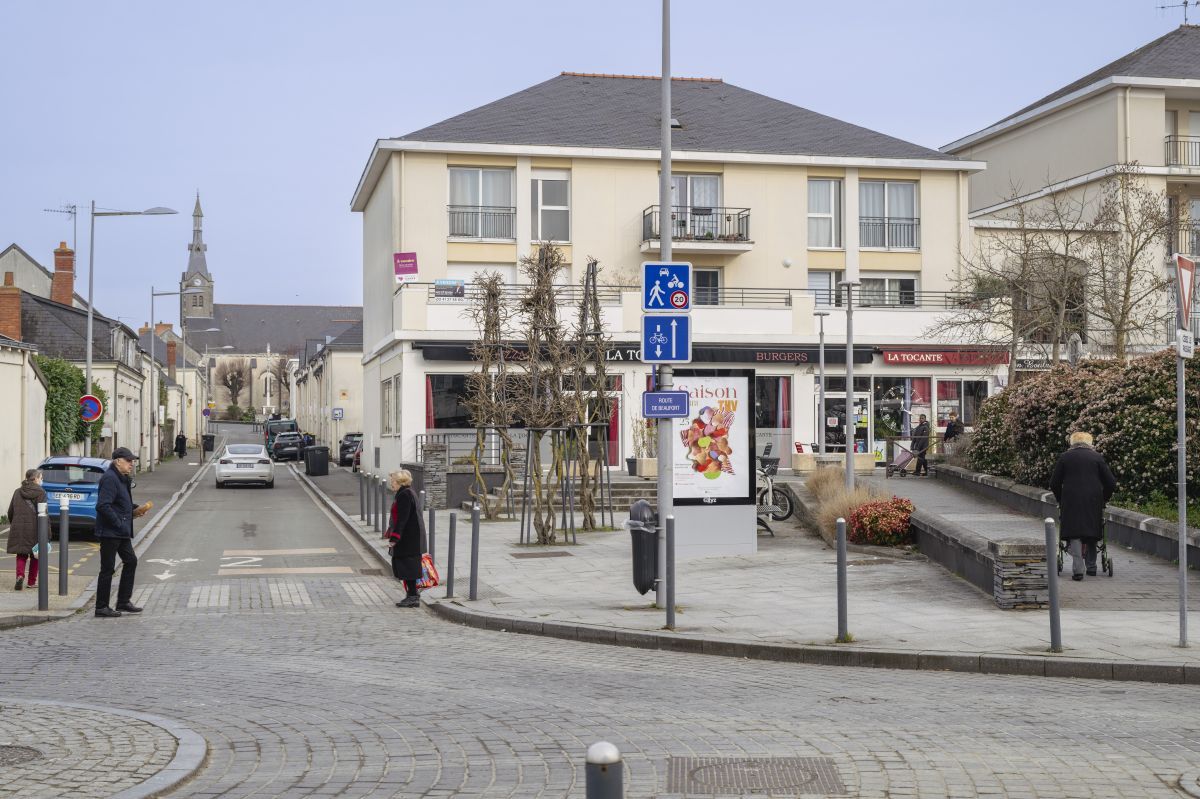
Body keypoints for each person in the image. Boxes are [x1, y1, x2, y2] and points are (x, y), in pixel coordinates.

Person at [1050, 431, 1117, 581]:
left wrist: (1061, 499)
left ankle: (1078, 570)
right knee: (1092, 530)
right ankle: (1092, 567)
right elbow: (1111, 483)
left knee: (1074, 533)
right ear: (1090, 442)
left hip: (1071, 500)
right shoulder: (1097, 457)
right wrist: (1103, 499)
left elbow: (1054, 483)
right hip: (1093, 500)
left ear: (1072, 442)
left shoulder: (1065, 457)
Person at [94, 447, 150, 617]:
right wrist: (118, 522)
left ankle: (123, 602)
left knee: (131, 561)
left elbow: (120, 503)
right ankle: (101, 607)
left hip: (120, 531)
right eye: (128, 461)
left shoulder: (122, 478)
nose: (131, 464)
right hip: (110, 531)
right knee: (107, 569)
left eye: (132, 461)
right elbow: (103, 505)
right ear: (118, 461)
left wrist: (135, 509)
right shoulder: (110, 478)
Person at [386, 469, 425, 608]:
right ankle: (412, 595)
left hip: (408, 538)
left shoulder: (404, 495)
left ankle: (413, 597)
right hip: (410, 536)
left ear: (400, 482)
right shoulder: (406, 492)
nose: (391, 483)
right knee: (408, 566)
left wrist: (394, 538)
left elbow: (402, 519)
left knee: (408, 567)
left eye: (393, 481)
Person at [7, 468, 47, 591]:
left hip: (19, 527)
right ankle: (31, 581)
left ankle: (20, 576)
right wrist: (47, 531)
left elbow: (10, 511)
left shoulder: (17, 491)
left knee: (21, 554)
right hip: (35, 528)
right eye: (41, 478)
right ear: (35, 479)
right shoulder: (41, 492)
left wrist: (15, 523)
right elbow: (43, 513)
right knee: (36, 555)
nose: (41, 480)